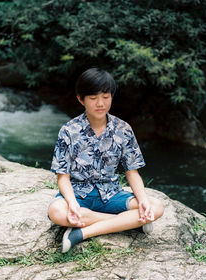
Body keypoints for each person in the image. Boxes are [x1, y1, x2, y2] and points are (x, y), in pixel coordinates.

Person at [48, 68, 164, 253]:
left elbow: (132, 172)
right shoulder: (68, 131)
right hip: (78, 195)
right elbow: (63, 178)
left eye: (106, 97)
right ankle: (128, 222)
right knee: (57, 212)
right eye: (93, 98)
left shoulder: (123, 129)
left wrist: (142, 200)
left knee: (156, 207)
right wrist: (72, 203)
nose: (100, 103)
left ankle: (81, 233)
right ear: (81, 99)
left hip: (111, 195)